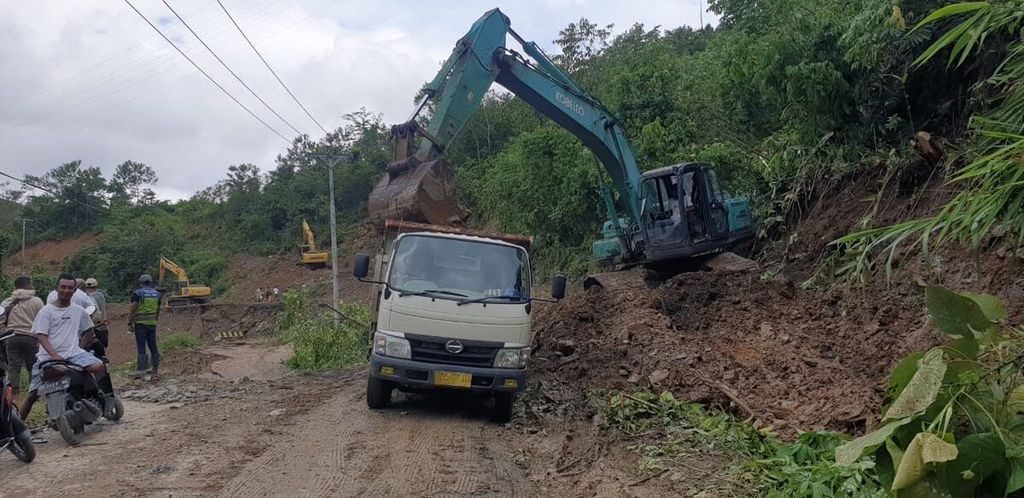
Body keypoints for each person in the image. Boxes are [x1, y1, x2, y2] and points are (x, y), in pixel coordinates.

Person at [20, 273, 106, 421]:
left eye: (70, 288)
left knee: (99, 366)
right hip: (47, 358)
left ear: (75, 290)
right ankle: (16, 429)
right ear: (57, 288)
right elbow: (41, 335)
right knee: (33, 394)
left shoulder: (78, 310)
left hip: (73, 355)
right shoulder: (46, 311)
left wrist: (79, 347)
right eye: (63, 287)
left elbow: (89, 330)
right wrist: (53, 354)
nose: (66, 290)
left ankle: (91, 395)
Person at [1, 276, 45, 395]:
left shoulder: (6, 302)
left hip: (11, 337)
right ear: (27, 286)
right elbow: (43, 320)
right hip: (31, 337)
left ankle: (14, 393)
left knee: (13, 366)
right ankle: (33, 392)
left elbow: (1, 322)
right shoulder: (37, 301)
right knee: (33, 366)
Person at [128, 274, 161, 379]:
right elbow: (158, 310)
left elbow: (133, 309)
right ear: (150, 282)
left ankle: (142, 369)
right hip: (152, 323)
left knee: (141, 346)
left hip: (141, 324)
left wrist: (129, 322)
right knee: (153, 345)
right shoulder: (157, 294)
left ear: (141, 282)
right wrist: (154, 320)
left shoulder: (138, 293)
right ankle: (154, 369)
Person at [83, 278, 109, 356]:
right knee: (101, 347)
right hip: (100, 325)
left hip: (88, 327)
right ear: (96, 285)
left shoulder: (84, 297)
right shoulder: (100, 296)